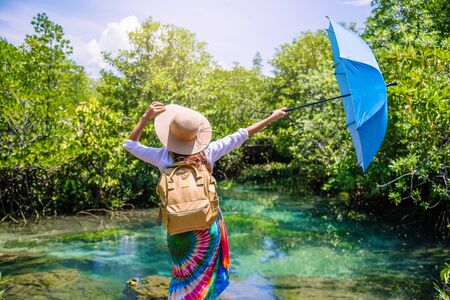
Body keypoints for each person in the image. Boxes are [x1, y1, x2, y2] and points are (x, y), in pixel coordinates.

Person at [123, 102, 287, 299]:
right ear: (197, 136)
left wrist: (145, 118)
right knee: (205, 275)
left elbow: (130, 144)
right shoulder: (208, 152)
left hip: (177, 227)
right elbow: (242, 135)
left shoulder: (162, 157)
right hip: (207, 225)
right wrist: (272, 117)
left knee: (182, 274)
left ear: (170, 135)